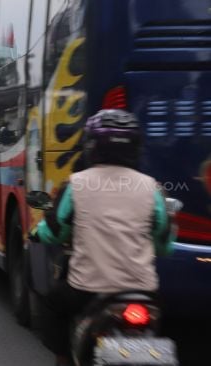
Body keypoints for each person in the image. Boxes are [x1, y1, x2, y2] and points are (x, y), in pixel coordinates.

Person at [33, 109, 174, 366]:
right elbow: (164, 245)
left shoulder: (76, 184)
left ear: (93, 145)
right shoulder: (152, 187)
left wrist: (36, 233)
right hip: (142, 291)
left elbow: (54, 233)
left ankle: (64, 359)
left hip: (87, 288)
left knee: (53, 306)